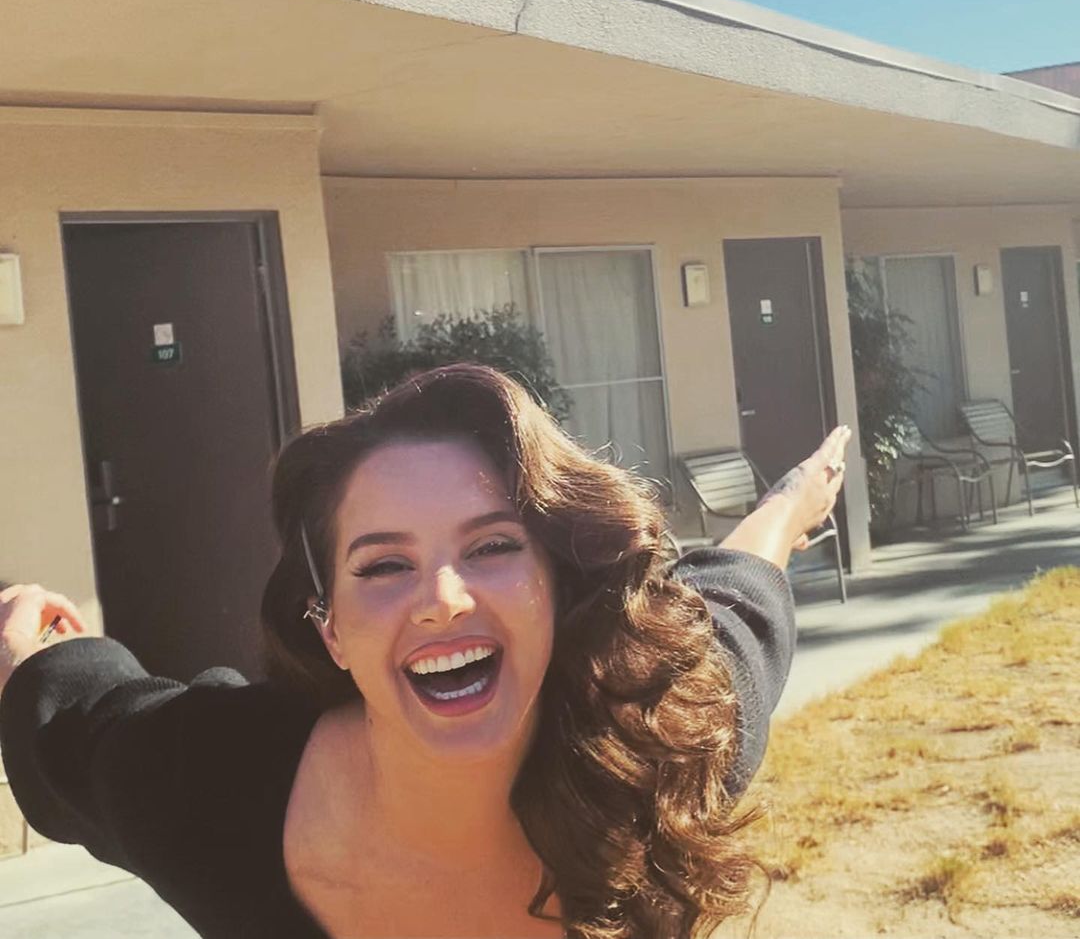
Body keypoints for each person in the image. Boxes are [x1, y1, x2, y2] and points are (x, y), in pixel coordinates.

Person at [0, 364, 850, 939]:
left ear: (556, 588)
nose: (443, 598)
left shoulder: (662, 738)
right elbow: (74, 721)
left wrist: (794, 500)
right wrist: (25, 646)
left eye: (492, 546)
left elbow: (737, 588)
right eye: (384, 564)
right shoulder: (207, 788)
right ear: (329, 626)